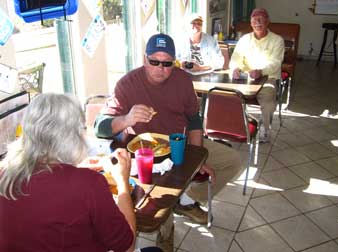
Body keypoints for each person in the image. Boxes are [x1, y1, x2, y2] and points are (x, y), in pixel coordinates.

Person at [94, 33, 242, 225]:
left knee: (233, 161)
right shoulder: (127, 84)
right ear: (145, 59)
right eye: (154, 62)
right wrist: (127, 119)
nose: (160, 69)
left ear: (174, 62)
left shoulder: (183, 80)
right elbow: (100, 127)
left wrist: (195, 158)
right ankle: (173, 208)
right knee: (157, 209)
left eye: (167, 63)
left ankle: (185, 199)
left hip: (180, 144)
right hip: (143, 154)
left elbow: (193, 119)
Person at [0, 93, 161, 252]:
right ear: (73, 135)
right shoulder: (89, 183)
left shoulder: (4, 174)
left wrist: (75, 171)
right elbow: (126, 246)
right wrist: (122, 183)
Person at [229, 8, 285, 142]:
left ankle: (265, 130)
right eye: (255, 20)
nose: (258, 23)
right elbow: (235, 58)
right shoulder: (245, 39)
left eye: (261, 19)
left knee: (268, 97)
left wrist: (261, 71)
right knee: (225, 93)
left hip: (267, 78)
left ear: (267, 22)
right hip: (245, 77)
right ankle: (232, 125)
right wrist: (235, 67)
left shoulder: (277, 40)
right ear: (251, 23)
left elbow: (276, 63)